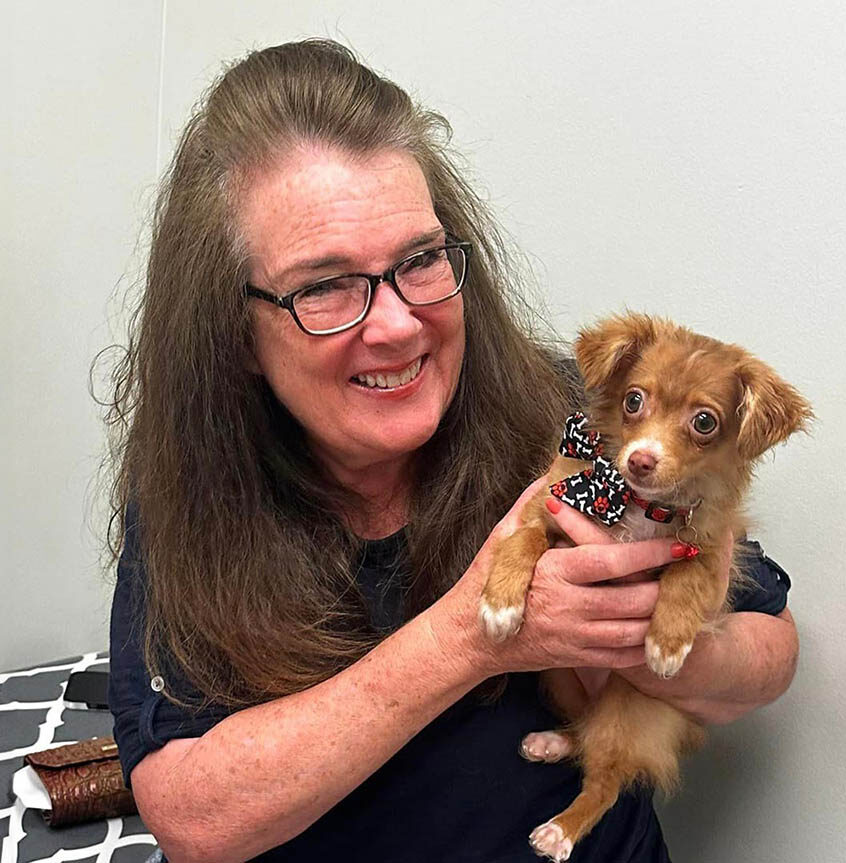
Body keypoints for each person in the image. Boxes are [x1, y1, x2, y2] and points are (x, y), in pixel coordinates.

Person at [105, 39, 798, 863]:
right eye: (325, 284)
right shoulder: (198, 497)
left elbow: (770, 649)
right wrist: (473, 635)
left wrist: (654, 641)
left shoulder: (575, 416)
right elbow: (192, 817)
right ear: (237, 331)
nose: (397, 323)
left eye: (420, 259)